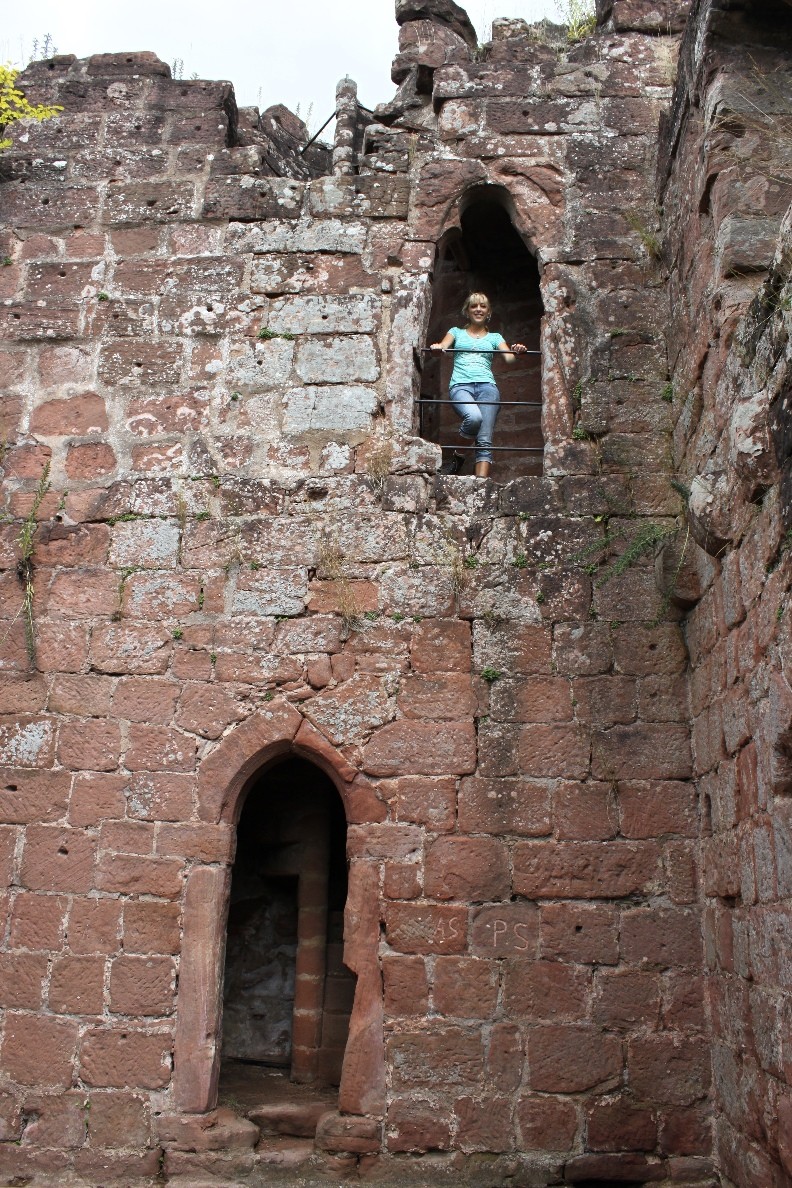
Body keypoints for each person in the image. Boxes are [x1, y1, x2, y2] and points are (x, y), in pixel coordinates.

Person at [431, 292, 528, 478]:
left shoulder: (495, 337)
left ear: (488, 311)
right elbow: (443, 347)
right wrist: (437, 349)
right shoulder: (455, 332)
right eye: (474, 306)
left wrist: (517, 351)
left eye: (483, 306)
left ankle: (481, 486)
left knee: (484, 440)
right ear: (467, 311)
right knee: (473, 418)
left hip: (488, 388)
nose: (478, 309)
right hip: (461, 386)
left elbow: (508, 358)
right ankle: (458, 457)